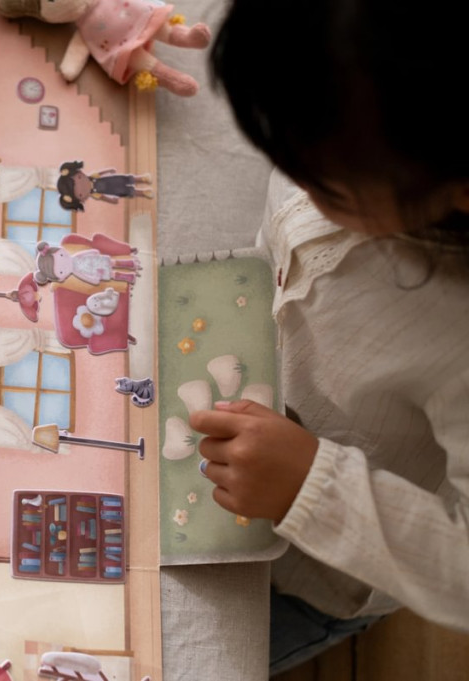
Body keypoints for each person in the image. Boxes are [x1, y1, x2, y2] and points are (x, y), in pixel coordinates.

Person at [191, 0, 469, 673]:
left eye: (326, 185)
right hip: (227, 410)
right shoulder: (332, 74)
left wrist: (313, 487)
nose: (289, 175)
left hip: (312, 576)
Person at [56, 161, 153, 211]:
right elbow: (103, 197)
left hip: (112, 179)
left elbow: (100, 173)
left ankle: (141, 178)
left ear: (80, 173)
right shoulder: (94, 194)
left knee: (125, 179)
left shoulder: (93, 177)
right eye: (80, 195)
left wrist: (108, 170)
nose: (83, 187)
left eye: (79, 177)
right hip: (113, 190)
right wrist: (111, 201)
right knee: (126, 191)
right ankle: (143, 193)